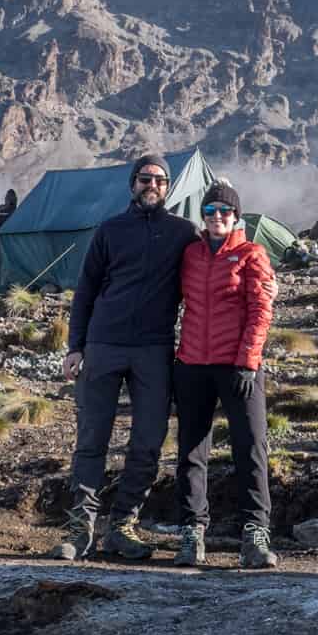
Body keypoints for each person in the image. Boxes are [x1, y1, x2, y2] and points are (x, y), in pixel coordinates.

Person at [56, 155, 201, 561]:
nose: (151, 185)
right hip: (103, 344)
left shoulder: (183, 233)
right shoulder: (110, 230)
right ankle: (81, 527)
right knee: (91, 438)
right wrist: (75, 346)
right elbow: (85, 290)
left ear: (169, 187)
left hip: (154, 349)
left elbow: (210, 273)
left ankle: (122, 525)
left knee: (148, 441)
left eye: (158, 179)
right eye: (143, 179)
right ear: (131, 184)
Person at [172, 180, 278, 569]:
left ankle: (255, 534)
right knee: (191, 452)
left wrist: (248, 362)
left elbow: (260, 310)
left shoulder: (252, 254)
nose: (217, 218)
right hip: (192, 366)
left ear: (236, 217)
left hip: (238, 367)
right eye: (210, 211)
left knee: (250, 448)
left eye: (224, 212)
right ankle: (191, 532)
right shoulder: (191, 255)